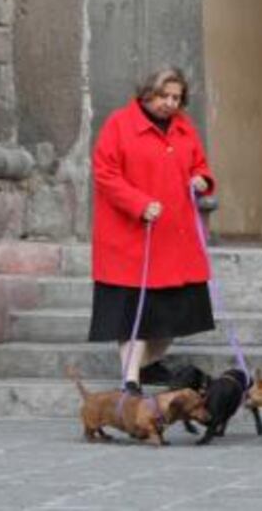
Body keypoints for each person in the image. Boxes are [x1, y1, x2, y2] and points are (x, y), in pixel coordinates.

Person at [88, 67, 216, 395]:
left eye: (176, 98)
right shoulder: (120, 124)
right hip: (129, 238)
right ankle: (130, 379)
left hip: (174, 239)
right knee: (132, 314)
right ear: (147, 94)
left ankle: (144, 366)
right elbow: (105, 173)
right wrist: (139, 203)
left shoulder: (184, 129)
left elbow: (200, 166)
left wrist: (200, 180)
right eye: (164, 96)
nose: (170, 103)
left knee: (172, 317)